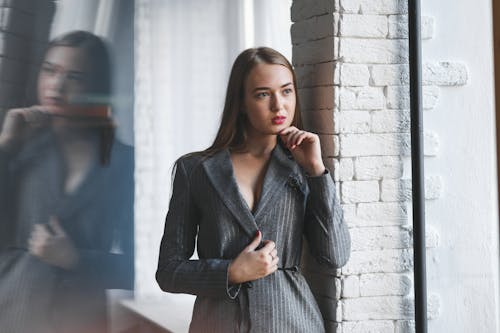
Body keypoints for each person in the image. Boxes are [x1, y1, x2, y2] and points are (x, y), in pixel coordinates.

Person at [156, 47, 351, 332]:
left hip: (292, 322)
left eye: (286, 91)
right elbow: (168, 271)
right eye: (263, 94)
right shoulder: (195, 170)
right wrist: (231, 272)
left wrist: (317, 172)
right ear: (242, 102)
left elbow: (335, 255)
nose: (279, 106)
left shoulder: (301, 168)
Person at [0, 30, 134, 333]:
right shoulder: (21, 148)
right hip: (11, 312)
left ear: (96, 87)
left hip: (80, 320)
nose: (56, 86)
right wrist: (5, 146)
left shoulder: (125, 164)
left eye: (75, 77)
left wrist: (76, 259)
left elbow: (140, 267)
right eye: (50, 71)